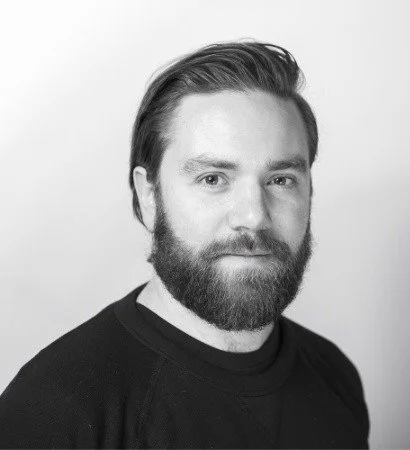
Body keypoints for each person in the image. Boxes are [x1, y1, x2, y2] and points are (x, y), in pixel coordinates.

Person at [0, 41, 370, 448]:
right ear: (149, 196)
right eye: (213, 179)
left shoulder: (335, 376)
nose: (253, 216)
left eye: (281, 180)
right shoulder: (53, 414)